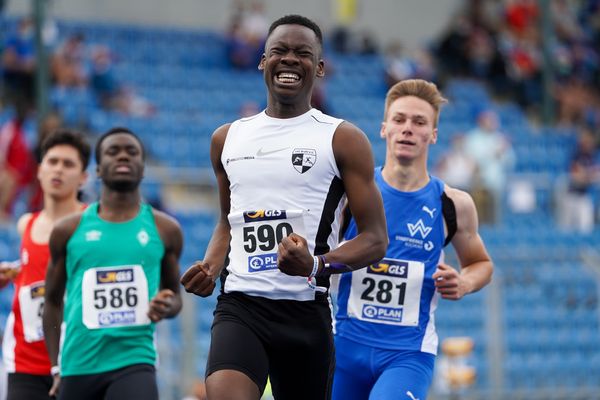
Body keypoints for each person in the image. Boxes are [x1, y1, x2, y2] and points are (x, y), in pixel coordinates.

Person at [180, 15, 388, 400]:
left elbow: (376, 239)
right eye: (279, 51)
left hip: (306, 312)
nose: (290, 59)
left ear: (320, 68)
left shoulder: (342, 139)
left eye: (302, 53)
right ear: (263, 61)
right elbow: (228, 224)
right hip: (241, 305)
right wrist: (211, 266)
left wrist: (316, 265)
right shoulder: (227, 139)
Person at [332, 79, 494, 400]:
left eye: (419, 122)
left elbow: (481, 264)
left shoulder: (453, 204)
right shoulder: (347, 194)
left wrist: (464, 283)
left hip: (408, 354)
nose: (408, 129)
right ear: (384, 129)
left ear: (432, 134)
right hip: (343, 346)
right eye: (399, 119)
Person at [42, 127, 183, 400]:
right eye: (113, 151)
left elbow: (175, 298)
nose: (123, 157)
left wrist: (166, 305)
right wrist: (56, 367)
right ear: (97, 169)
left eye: (132, 153)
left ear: (142, 168)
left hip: (135, 360)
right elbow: (52, 301)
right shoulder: (67, 231)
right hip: (78, 363)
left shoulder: (165, 230)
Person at [0, 130, 90, 400]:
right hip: (25, 359)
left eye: (68, 164)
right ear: (39, 170)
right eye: (52, 162)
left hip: (79, 357)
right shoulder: (25, 223)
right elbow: (38, 267)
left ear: (84, 177)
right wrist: (12, 271)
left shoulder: (93, 223)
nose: (58, 170)